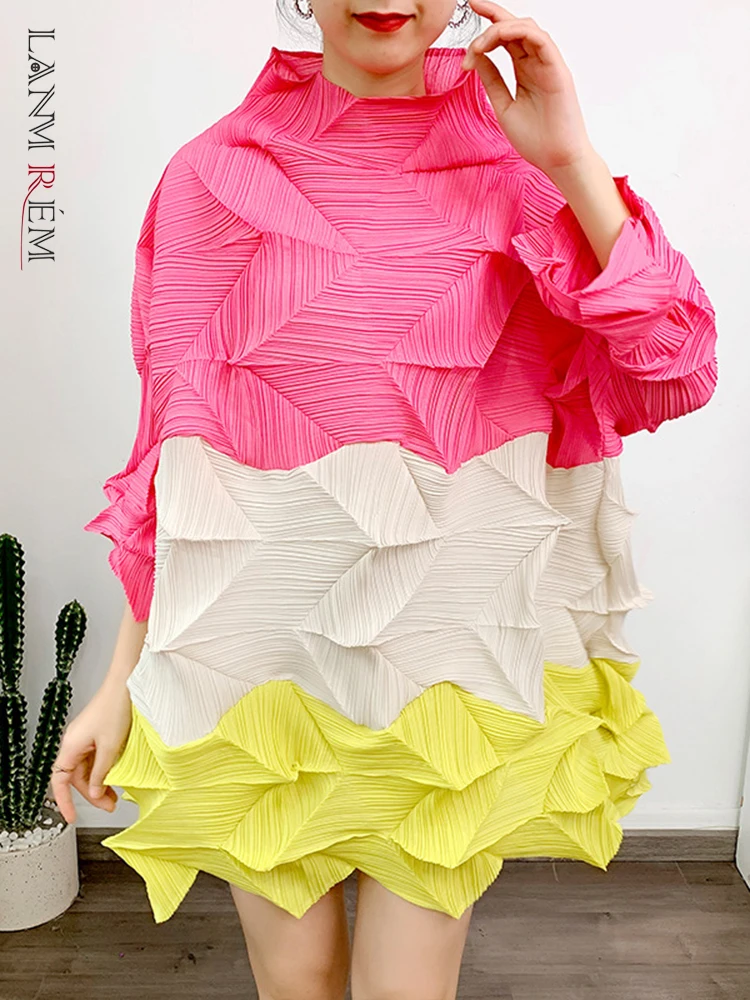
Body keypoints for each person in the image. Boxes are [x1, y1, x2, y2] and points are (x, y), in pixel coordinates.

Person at [52, 0, 719, 997]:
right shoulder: (210, 179)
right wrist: (120, 679)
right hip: (257, 676)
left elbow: (677, 367)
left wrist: (572, 158)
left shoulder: (517, 174)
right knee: (297, 983)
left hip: (443, 677)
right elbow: (177, 462)